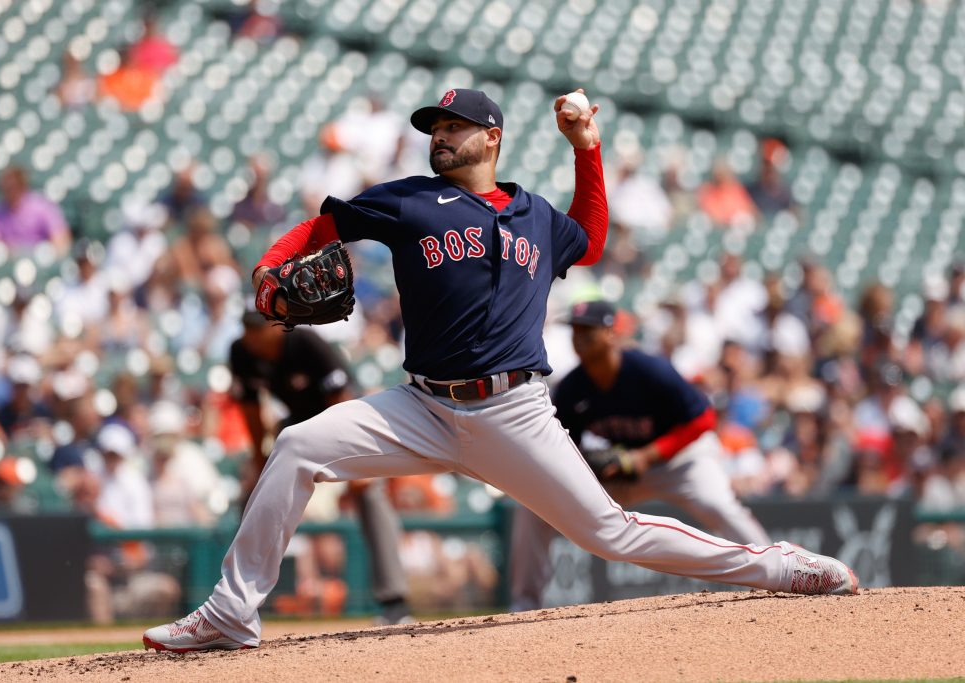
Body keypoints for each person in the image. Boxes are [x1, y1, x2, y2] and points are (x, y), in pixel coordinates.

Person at [143, 87, 856, 653]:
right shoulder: (408, 199)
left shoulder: (536, 215)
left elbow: (593, 238)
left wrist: (587, 148)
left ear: (492, 137)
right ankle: (233, 610)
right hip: (420, 407)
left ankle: (779, 564)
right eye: (434, 126)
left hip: (513, 410)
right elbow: (321, 227)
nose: (440, 135)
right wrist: (269, 269)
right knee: (299, 446)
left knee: (612, 531)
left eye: (454, 125)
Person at [509, 300, 771, 611]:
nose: (578, 339)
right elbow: (558, 444)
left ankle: (777, 567)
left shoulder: (647, 369)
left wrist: (647, 455)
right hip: (623, 470)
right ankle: (525, 601)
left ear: (611, 334)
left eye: (587, 331)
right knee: (535, 508)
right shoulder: (572, 388)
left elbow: (703, 419)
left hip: (679, 461)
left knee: (718, 504)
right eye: (575, 332)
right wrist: (592, 462)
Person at [227, 306, 413, 625]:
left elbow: (342, 399)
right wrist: (259, 463)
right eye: (248, 327)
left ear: (277, 326)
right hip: (297, 426)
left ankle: (394, 601)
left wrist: (358, 465)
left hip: (345, 418)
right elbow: (251, 411)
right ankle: (238, 601)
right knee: (253, 495)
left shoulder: (306, 344)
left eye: (258, 327)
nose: (252, 335)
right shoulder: (241, 351)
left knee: (369, 493)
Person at [0, 165, 71, 254]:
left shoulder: (42, 206)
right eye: (6, 186)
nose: (9, 189)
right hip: (11, 261)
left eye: (13, 185)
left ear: (22, 184)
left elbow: (60, 239)